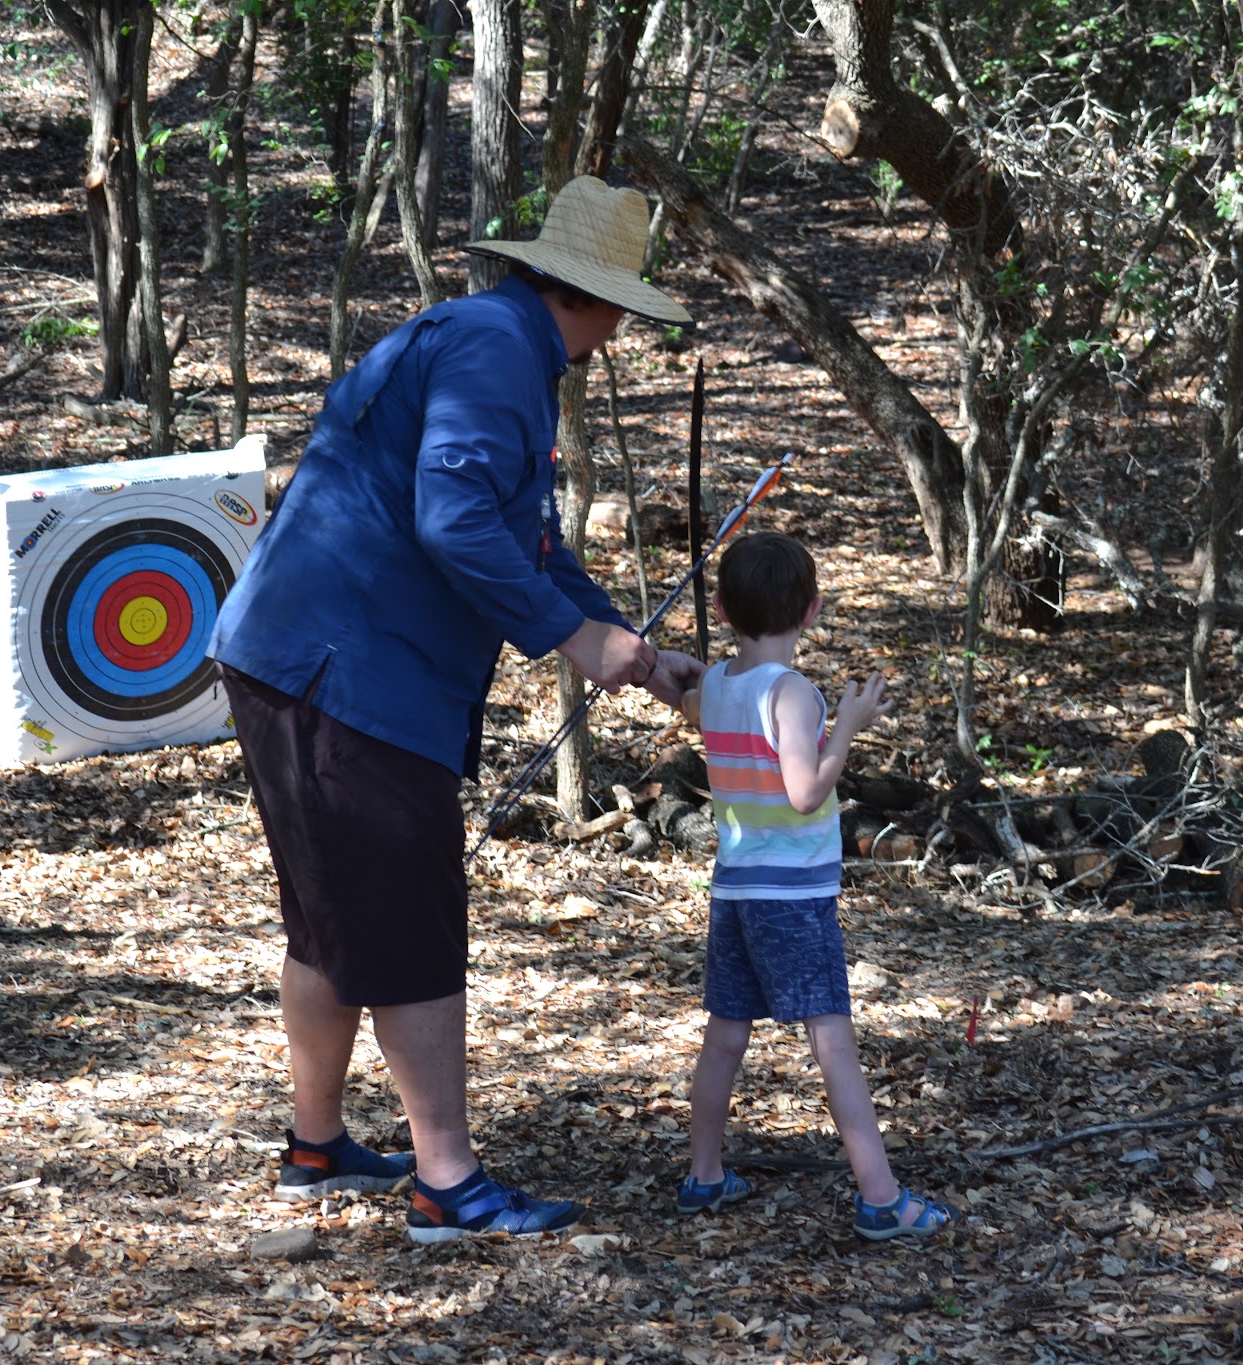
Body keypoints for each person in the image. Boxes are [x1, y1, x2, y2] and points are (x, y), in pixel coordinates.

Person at [208, 176, 704, 1243]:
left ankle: (317, 1146)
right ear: (595, 296)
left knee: (329, 921)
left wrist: (631, 645)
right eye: (624, 303)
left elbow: (525, 539)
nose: (621, 330)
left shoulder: (498, 342)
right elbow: (453, 523)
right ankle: (445, 1182)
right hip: (346, 679)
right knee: (410, 928)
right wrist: (575, 641)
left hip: (292, 659)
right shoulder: (494, 351)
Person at [675, 533, 957, 1239]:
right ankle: (881, 1196)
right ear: (812, 610)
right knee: (831, 1039)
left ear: (720, 606)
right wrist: (848, 729)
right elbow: (805, 790)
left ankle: (703, 1176)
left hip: (735, 891)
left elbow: (692, 699)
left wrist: (666, 670)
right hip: (793, 899)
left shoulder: (716, 685)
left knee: (724, 1037)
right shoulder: (794, 692)